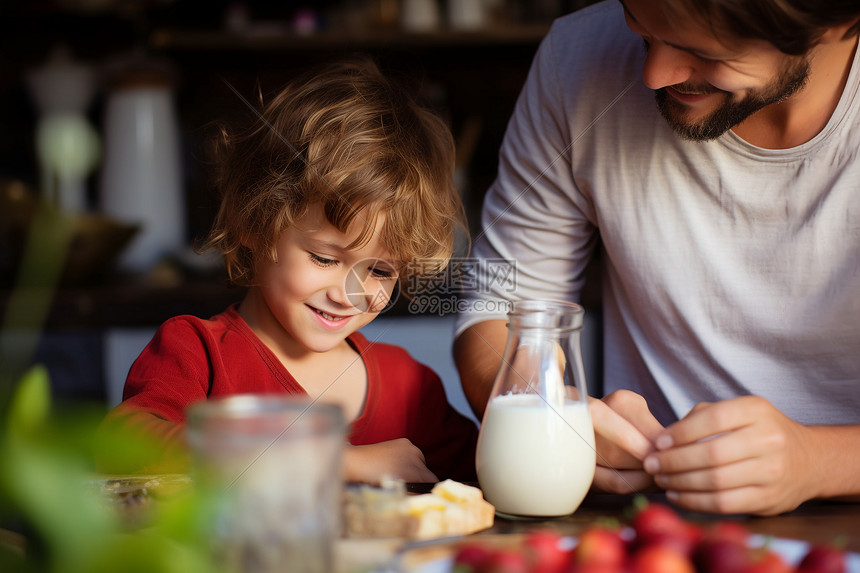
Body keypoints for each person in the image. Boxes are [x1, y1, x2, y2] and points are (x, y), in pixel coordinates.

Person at [454, 0, 860, 516]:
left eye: (701, 51)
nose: (653, 75)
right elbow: (498, 306)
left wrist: (819, 462)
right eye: (642, 34)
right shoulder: (575, 59)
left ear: (836, 21)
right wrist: (547, 414)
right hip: (650, 524)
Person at [99, 57, 478, 484]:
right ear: (253, 224)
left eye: (381, 270)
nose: (349, 293)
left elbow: (488, 477)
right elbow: (126, 446)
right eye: (324, 258)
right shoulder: (197, 354)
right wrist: (330, 459)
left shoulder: (410, 386)